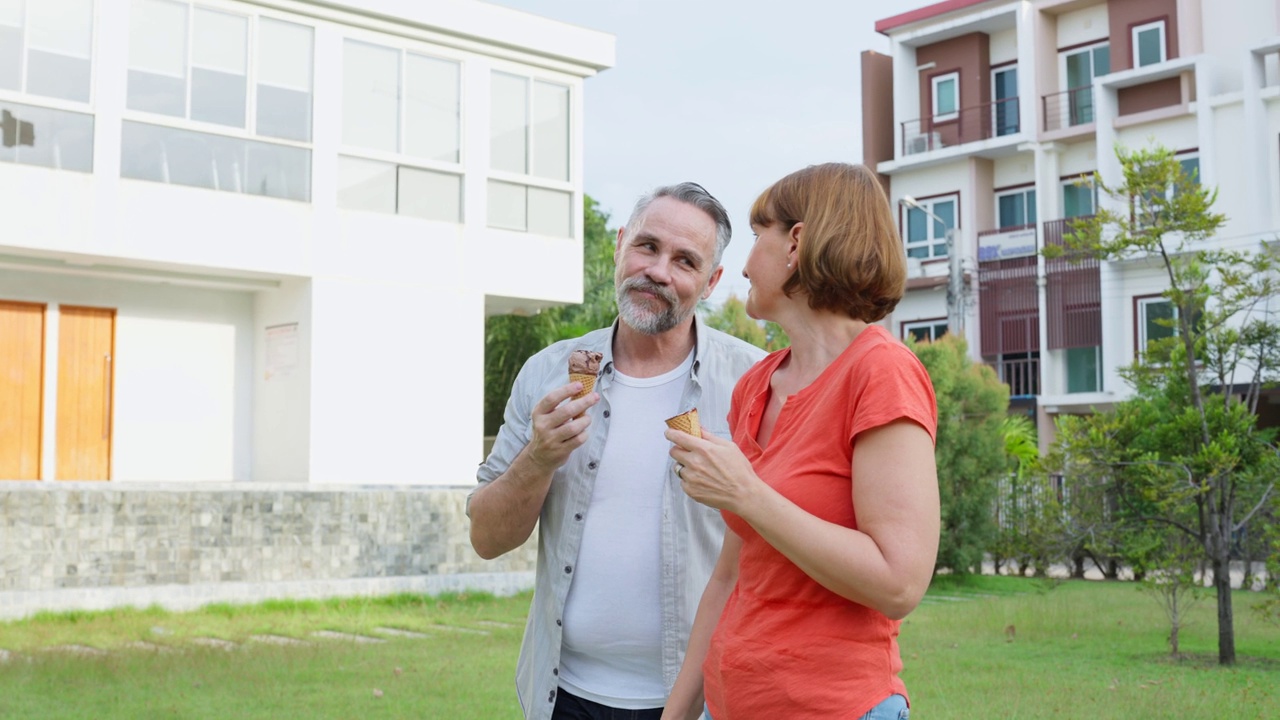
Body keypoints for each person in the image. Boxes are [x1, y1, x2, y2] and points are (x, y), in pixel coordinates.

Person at [469, 182, 766, 720]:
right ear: (620, 245)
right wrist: (537, 458)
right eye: (647, 246)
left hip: (705, 701)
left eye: (684, 261)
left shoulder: (753, 382)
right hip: (564, 698)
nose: (658, 271)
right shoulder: (550, 373)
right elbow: (487, 539)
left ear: (711, 282)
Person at [662, 163, 940, 720]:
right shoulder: (756, 386)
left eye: (757, 234)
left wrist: (747, 495)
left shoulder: (881, 372)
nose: (740, 264)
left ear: (796, 242)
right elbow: (729, 580)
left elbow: (898, 582)